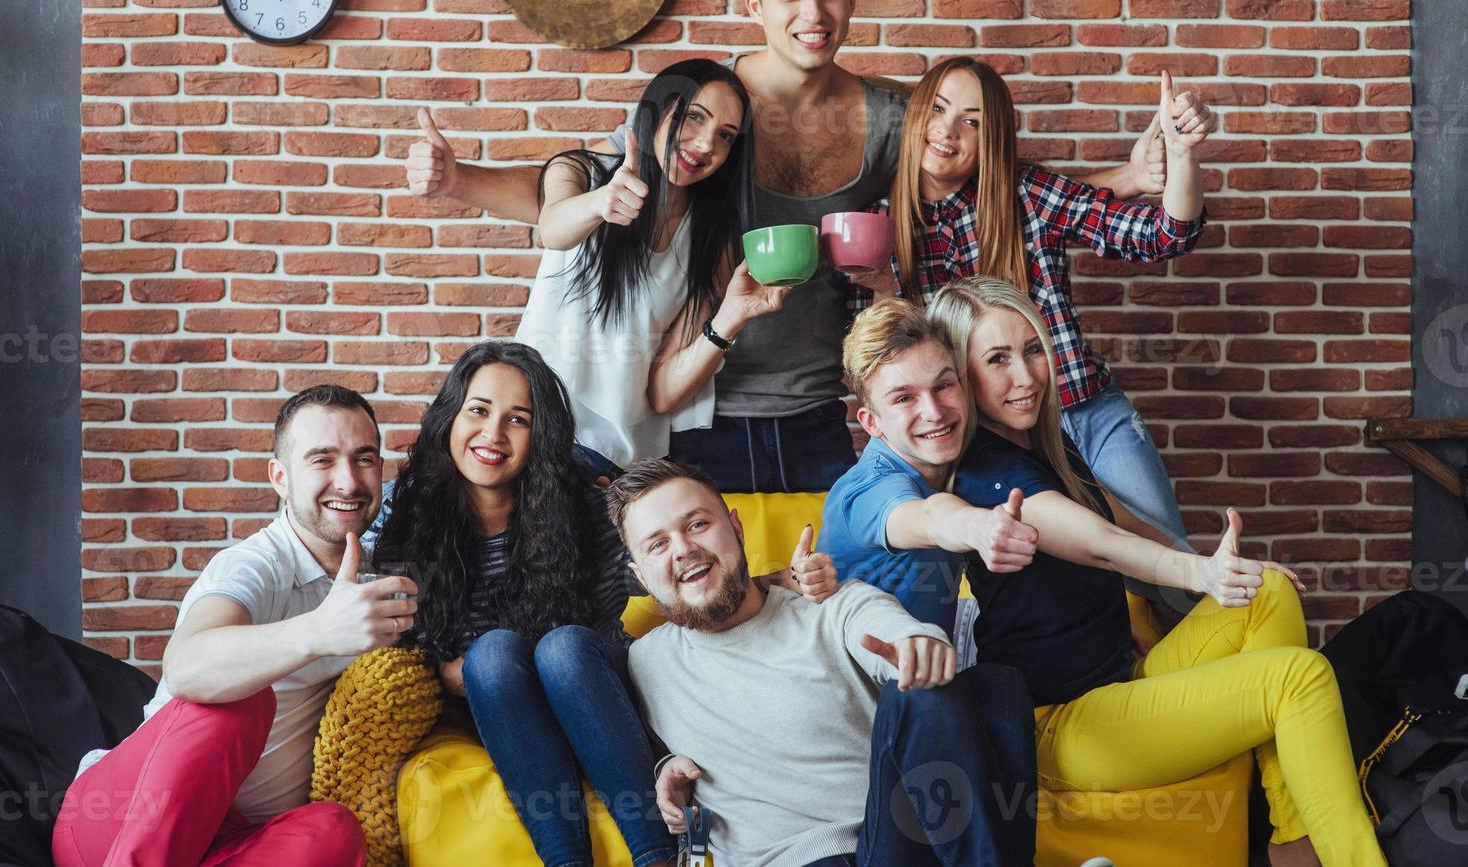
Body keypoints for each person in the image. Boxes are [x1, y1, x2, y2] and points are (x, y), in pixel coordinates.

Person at [405, 0, 1164, 494]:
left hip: (816, 409)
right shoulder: (707, 108)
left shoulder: (891, 116)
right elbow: (583, 186)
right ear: (756, 4)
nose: (814, 13)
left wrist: (1123, 183)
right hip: (695, 408)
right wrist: (458, 181)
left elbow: (985, 174)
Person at [834, 290, 1385, 866]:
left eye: (1031, 351)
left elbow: (1128, 524)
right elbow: (1102, 545)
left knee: (1266, 591)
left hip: (1117, 679)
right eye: (996, 360)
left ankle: (1288, 833)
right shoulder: (987, 474)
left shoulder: (1045, 441)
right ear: (965, 374)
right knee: (1300, 678)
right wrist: (1199, 572)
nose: (1024, 375)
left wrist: (1211, 572)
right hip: (1064, 727)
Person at [365, 341, 836, 867]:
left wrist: (776, 579)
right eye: (478, 410)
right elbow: (384, 633)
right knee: (494, 655)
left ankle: (657, 854)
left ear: (539, 435)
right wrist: (452, 673)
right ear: (451, 415)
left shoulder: (582, 506)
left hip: (595, 693)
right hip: (504, 710)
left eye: (518, 419)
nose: (493, 435)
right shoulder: (402, 513)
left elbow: (676, 577)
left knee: (563, 647)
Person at [848, 56, 1216, 568]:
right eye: (937, 108)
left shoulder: (1027, 194)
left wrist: (1183, 156)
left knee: (1166, 555)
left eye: (972, 121)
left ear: (991, 137)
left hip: (1084, 410)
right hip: (990, 439)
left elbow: (1164, 234)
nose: (947, 130)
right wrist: (887, 288)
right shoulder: (872, 228)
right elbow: (880, 362)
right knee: (1083, 571)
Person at [606, 459, 1038, 866]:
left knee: (991, 686)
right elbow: (687, 823)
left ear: (736, 529)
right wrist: (668, 778)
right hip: (789, 860)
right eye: (658, 544)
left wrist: (915, 643)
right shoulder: (644, 663)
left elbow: (887, 627)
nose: (682, 549)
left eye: (698, 524)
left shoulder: (830, 605)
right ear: (642, 576)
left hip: (892, 841)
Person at [53, 385, 413, 866]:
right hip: (117, 823)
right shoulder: (253, 566)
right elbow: (186, 668)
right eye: (322, 460)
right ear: (280, 478)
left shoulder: (379, 582)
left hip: (236, 842)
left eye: (364, 458)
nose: (348, 481)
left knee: (332, 828)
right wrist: (320, 630)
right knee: (240, 699)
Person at [516, 59, 789, 482]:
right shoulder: (578, 171)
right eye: (694, 117)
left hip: (624, 467)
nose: (704, 144)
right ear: (657, 110)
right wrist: (600, 203)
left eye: (726, 136)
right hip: (540, 439)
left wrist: (730, 319)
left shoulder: (711, 241)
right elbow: (553, 230)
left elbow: (662, 393)